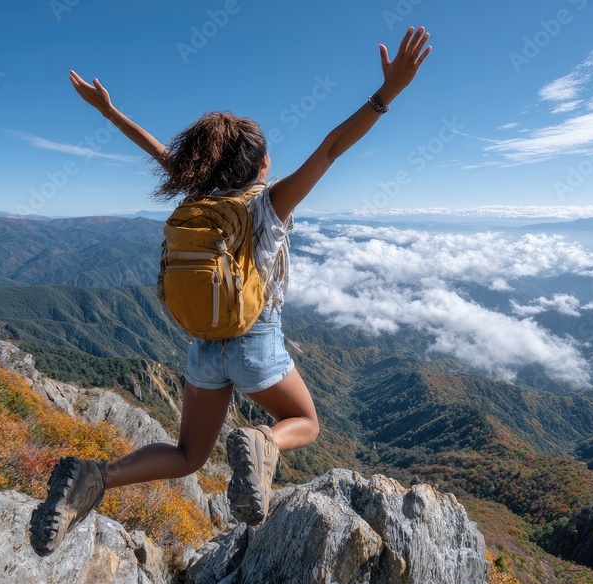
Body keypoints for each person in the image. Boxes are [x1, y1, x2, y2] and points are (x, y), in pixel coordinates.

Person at [30, 26, 432, 557]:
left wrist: (109, 111)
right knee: (304, 423)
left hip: (203, 344)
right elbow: (331, 147)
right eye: (267, 155)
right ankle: (267, 443)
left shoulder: (201, 199)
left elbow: (160, 153)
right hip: (254, 336)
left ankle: (95, 477)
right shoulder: (268, 203)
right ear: (260, 165)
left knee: (189, 453)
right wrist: (387, 94)